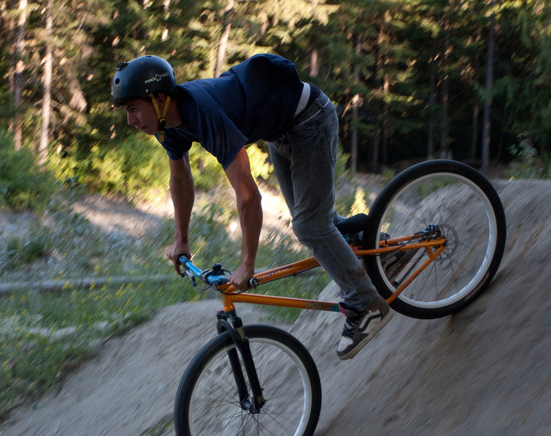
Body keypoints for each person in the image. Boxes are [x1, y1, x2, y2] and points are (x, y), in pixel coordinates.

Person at [111, 54, 391, 360]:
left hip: (310, 119)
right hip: (279, 131)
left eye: (134, 109)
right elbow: (180, 181)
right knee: (314, 218)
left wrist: (247, 263)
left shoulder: (204, 113)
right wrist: (181, 239)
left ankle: (365, 303)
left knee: (310, 225)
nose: (130, 120)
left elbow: (247, 195)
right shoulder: (167, 126)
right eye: (126, 111)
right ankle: (371, 245)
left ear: (160, 99)